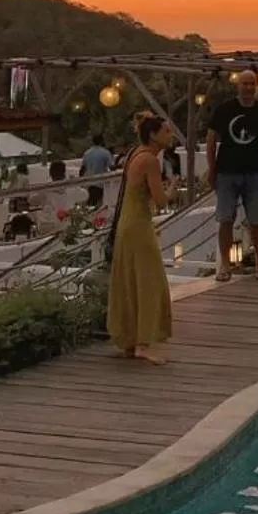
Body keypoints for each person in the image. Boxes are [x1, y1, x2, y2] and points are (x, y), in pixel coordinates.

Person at [107, 115, 174, 365]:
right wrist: (172, 189)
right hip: (138, 226)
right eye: (166, 132)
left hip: (128, 222)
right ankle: (143, 344)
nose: (170, 136)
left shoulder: (135, 153)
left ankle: (129, 339)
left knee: (130, 281)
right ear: (154, 135)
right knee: (148, 282)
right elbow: (160, 200)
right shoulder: (149, 160)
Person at [207, 68, 258, 281]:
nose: (248, 87)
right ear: (238, 85)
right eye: (244, 83)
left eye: (251, 83)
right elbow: (211, 140)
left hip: (253, 173)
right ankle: (225, 266)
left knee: (257, 220)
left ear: (256, 86)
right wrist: (212, 169)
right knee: (225, 219)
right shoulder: (224, 109)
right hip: (227, 172)